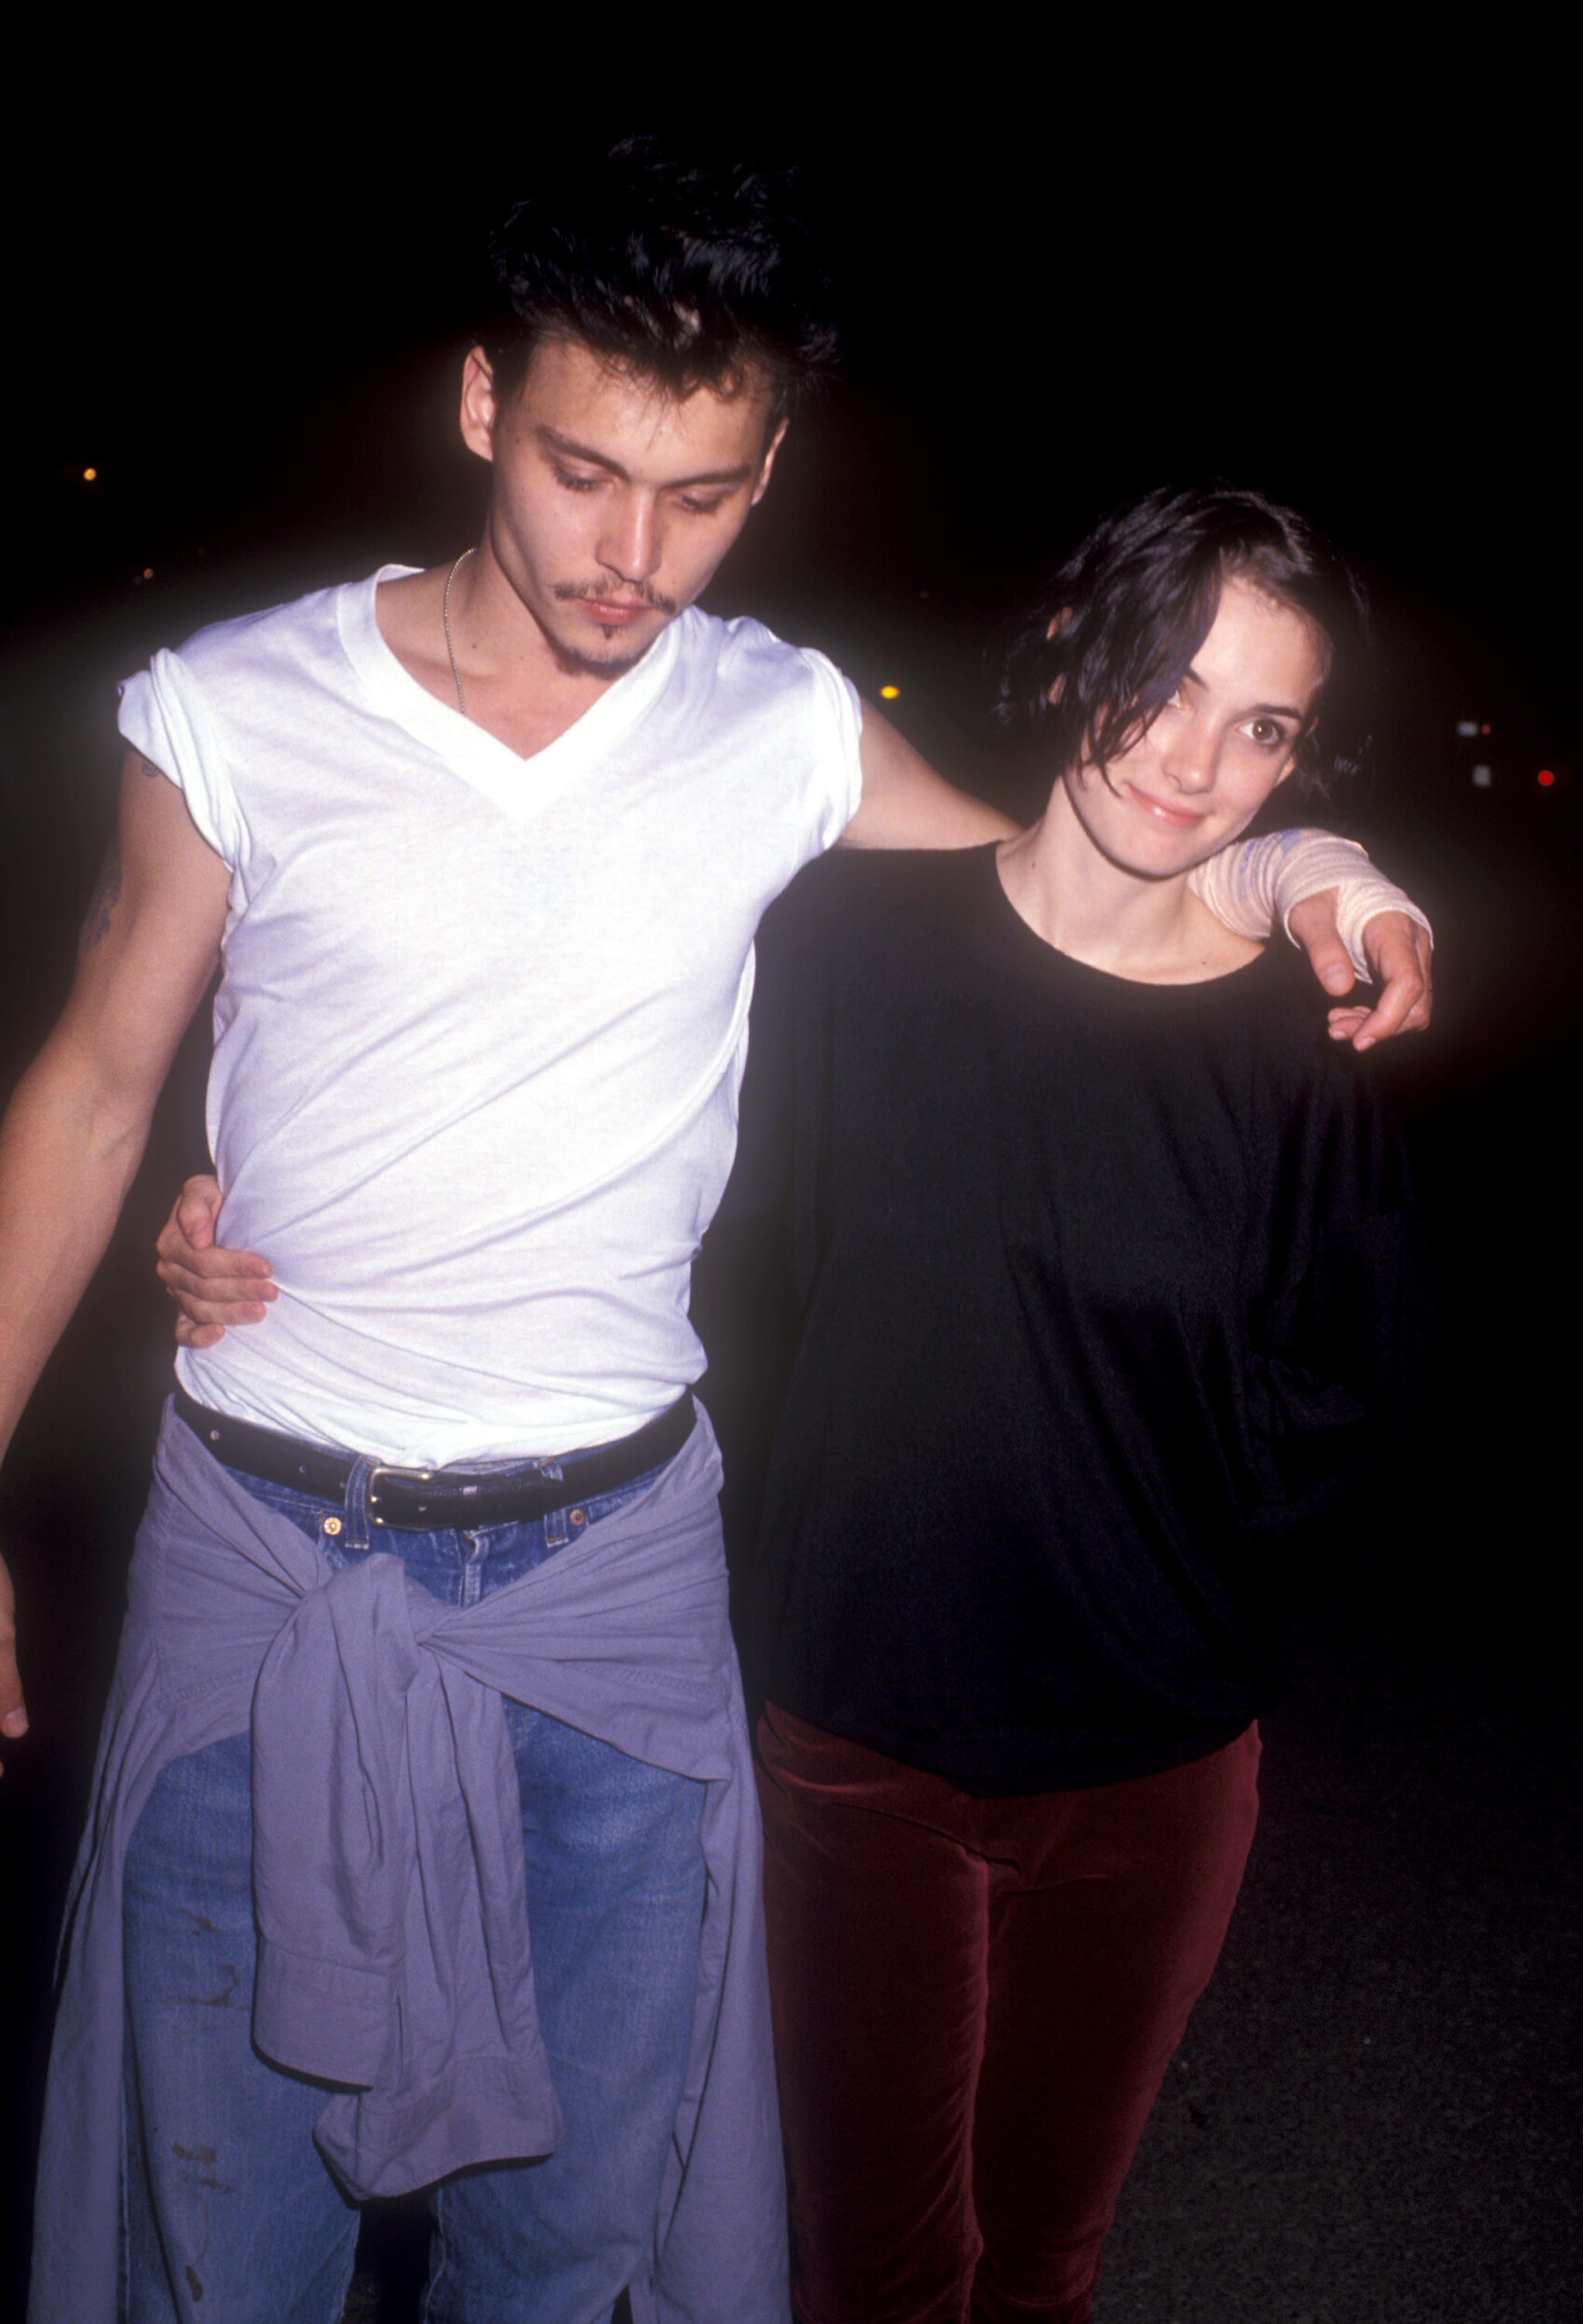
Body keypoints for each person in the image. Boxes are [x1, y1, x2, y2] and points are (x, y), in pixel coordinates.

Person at [0, 134, 1429, 2324]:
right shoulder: (237, 705)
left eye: (699, 495)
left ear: (766, 473)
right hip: (270, 1547)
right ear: (481, 404)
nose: (630, 553)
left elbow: (1069, 889)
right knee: (230, 2240)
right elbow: (94, 1090)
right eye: (582, 473)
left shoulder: (774, 724)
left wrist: (1306, 856)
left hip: (619, 1580)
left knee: (576, 2241)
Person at [694, 485, 1434, 2324]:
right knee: (872, 2274)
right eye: (1162, 685)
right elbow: (708, 1242)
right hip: (858, 1734)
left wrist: (1164, 1574)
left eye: (1258, 726)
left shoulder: (1296, 1042)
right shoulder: (844, 952)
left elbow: (1345, 1382)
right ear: (1063, 653)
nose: (1193, 762)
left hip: (1144, 1767)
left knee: (1041, 2264)